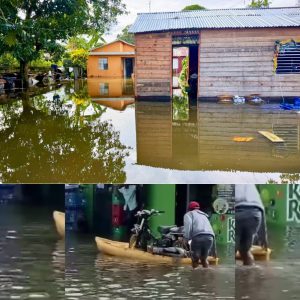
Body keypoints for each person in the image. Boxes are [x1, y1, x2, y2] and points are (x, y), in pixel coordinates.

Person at [235, 184, 268, 266]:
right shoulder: (250, 184)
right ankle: (250, 274)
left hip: (237, 212)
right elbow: (261, 209)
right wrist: (263, 238)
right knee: (245, 251)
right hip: (255, 214)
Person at [183, 201, 215, 269]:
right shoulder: (204, 215)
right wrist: (215, 251)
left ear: (189, 209)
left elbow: (188, 226)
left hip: (198, 237)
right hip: (210, 237)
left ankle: (194, 277)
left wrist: (186, 239)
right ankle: (206, 274)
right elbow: (210, 229)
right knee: (204, 259)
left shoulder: (189, 214)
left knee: (195, 259)